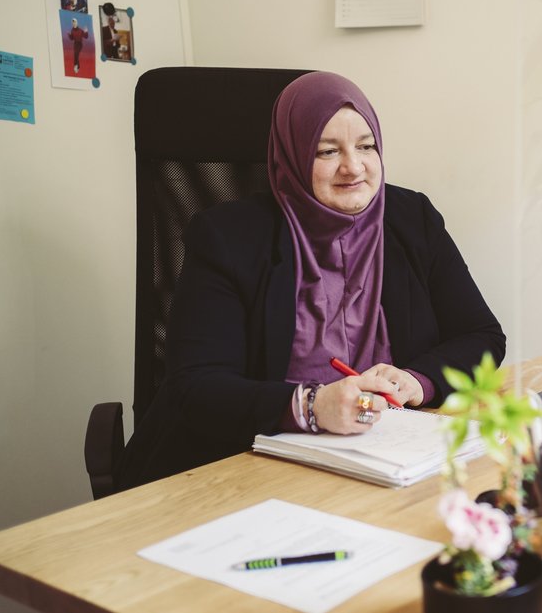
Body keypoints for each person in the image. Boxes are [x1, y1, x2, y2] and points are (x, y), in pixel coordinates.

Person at [116, 72, 506, 489]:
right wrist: (311, 405)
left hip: (383, 460)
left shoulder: (413, 219)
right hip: (248, 466)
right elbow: (196, 387)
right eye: (326, 151)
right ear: (293, 156)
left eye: (366, 146)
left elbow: (481, 335)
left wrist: (416, 380)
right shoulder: (227, 238)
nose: (353, 167)